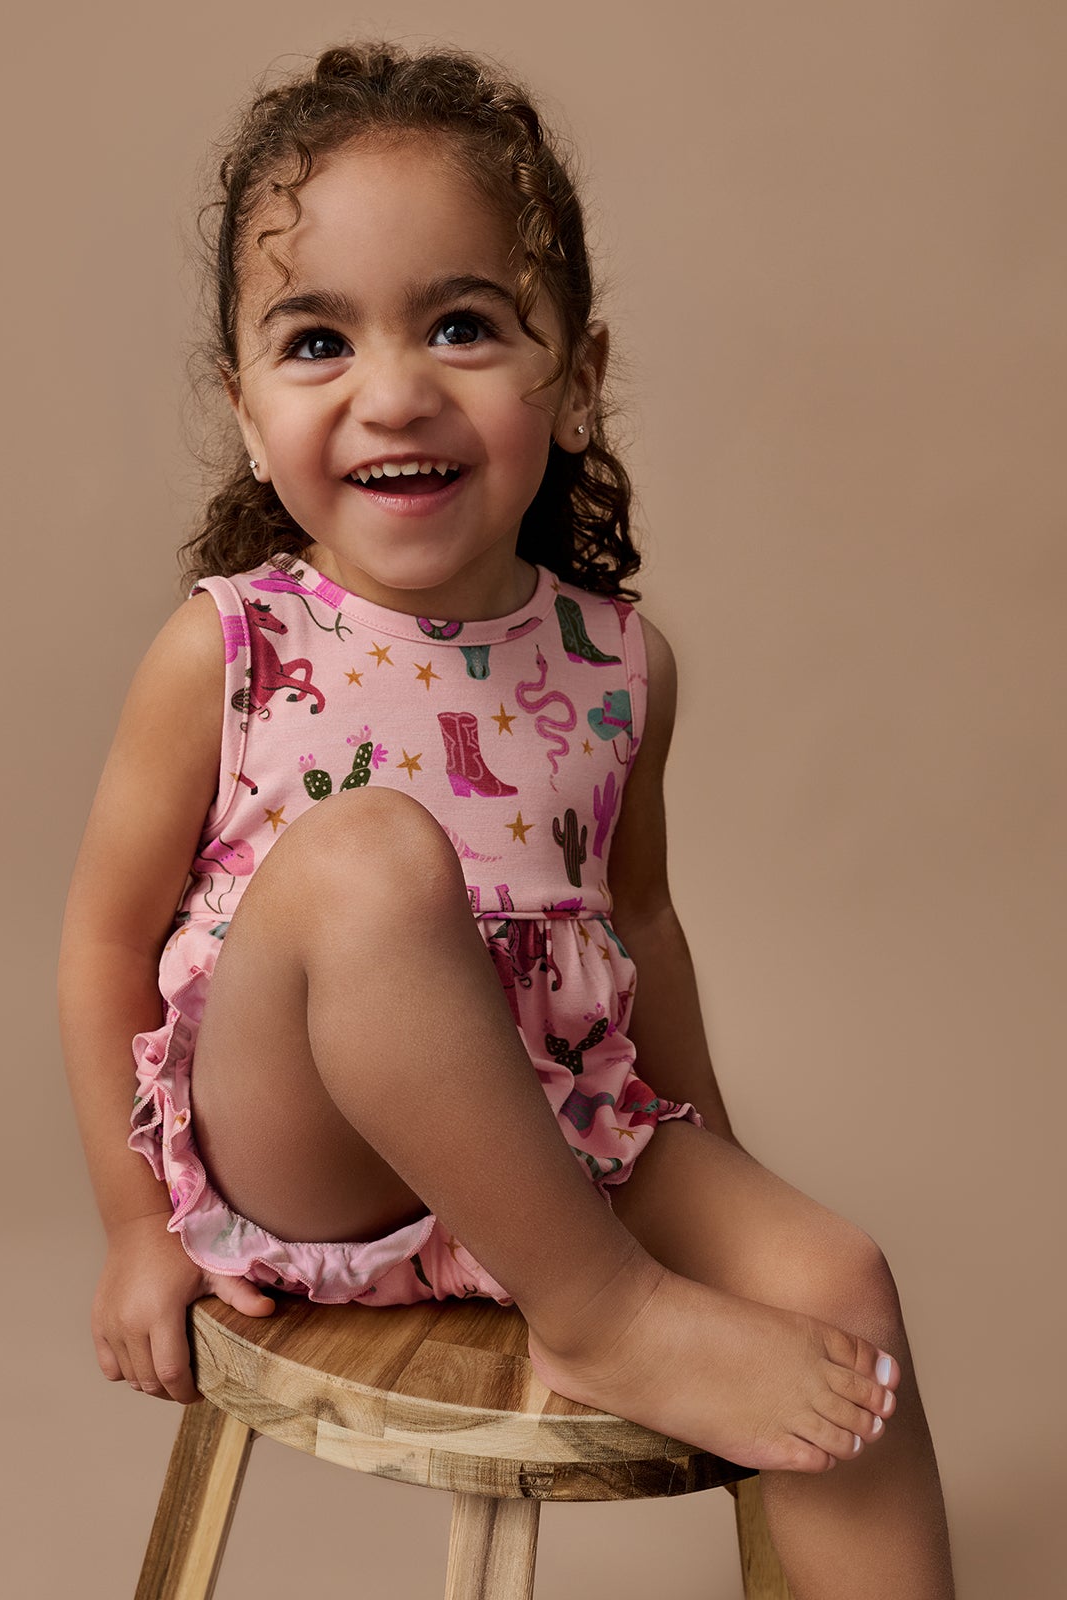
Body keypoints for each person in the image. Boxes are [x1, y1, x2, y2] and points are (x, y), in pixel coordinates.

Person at [58, 42, 955, 1596]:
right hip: (310, 1144)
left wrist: (713, 1154)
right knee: (371, 856)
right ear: (246, 405)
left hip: (552, 1130)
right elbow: (100, 942)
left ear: (576, 375)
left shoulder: (618, 661)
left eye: (463, 325)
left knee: (838, 1274)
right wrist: (134, 1230)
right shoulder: (231, 648)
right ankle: (600, 1311)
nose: (395, 389)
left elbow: (640, 921)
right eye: (318, 339)